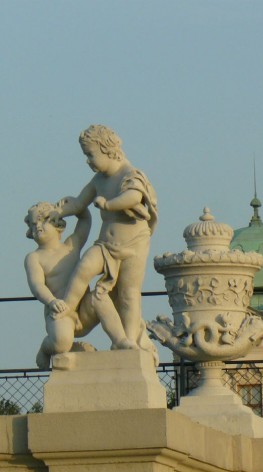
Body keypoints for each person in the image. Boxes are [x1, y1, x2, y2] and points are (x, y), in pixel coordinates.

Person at [55, 125, 157, 350]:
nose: (88, 161)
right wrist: (60, 211)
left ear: (107, 150)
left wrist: (109, 204)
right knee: (84, 267)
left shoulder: (130, 174)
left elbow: (133, 196)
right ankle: (67, 309)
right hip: (104, 245)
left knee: (128, 295)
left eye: (90, 154)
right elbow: (80, 202)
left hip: (133, 246)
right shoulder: (98, 181)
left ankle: (129, 340)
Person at [23, 202, 98, 368]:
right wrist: (52, 302)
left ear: (57, 223)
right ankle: (46, 347)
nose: (38, 228)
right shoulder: (34, 258)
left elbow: (85, 219)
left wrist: (73, 205)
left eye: (43, 221)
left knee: (104, 297)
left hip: (84, 309)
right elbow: (37, 285)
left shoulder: (72, 245)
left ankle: (122, 341)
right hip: (59, 313)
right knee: (61, 343)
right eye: (33, 224)